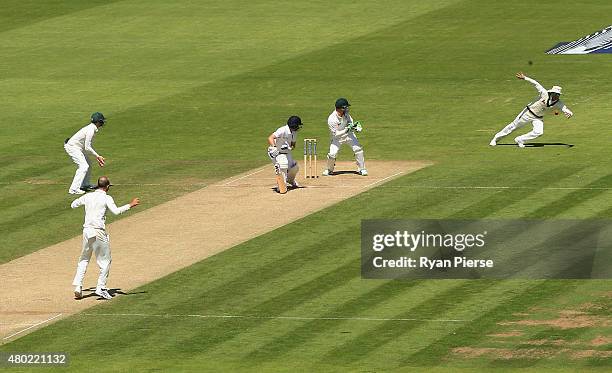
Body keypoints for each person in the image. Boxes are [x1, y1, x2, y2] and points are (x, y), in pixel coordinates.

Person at [70, 176, 139, 300]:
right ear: (107, 187)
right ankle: (100, 288)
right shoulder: (107, 198)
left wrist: (87, 200)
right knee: (105, 261)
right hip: (98, 232)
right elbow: (116, 211)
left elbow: (73, 204)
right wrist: (131, 205)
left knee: (84, 259)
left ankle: (78, 286)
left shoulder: (88, 196)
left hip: (87, 231)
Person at [490, 73, 574, 148]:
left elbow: (565, 109)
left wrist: (569, 113)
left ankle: (520, 139)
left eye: (558, 94)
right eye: (555, 94)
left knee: (539, 132)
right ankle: (495, 139)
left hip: (538, 118)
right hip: (527, 114)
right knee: (513, 127)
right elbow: (536, 84)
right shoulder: (544, 93)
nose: (556, 96)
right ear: (551, 93)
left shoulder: (559, 103)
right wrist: (525, 78)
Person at [64, 112, 107, 194]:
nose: (102, 123)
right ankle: (73, 189)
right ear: (98, 122)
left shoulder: (92, 128)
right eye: (101, 121)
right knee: (84, 166)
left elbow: (86, 147)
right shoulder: (91, 130)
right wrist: (98, 156)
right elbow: (87, 147)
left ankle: (85, 184)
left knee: (88, 164)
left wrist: (97, 156)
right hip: (72, 147)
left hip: (79, 147)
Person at [323, 98, 367, 176]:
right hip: (337, 138)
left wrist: (355, 127)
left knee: (358, 149)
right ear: (340, 108)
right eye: (345, 107)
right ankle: (329, 170)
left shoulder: (346, 113)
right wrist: (346, 130)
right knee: (332, 154)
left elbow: (351, 122)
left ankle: (362, 169)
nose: (347, 108)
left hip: (349, 135)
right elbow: (335, 134)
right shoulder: (332, 119)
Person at [267, 116, 302, 194]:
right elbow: (270, 138)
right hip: (276, 152)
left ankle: (290, 180)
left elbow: (293, 145)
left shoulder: (294, 133)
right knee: (283, 165)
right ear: (294, 125)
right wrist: (274, 147)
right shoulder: (282, 130)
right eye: (298, 125)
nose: (299, 127)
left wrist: (290, 147)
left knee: (295, 167)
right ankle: (281, 185)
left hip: (286, 152)